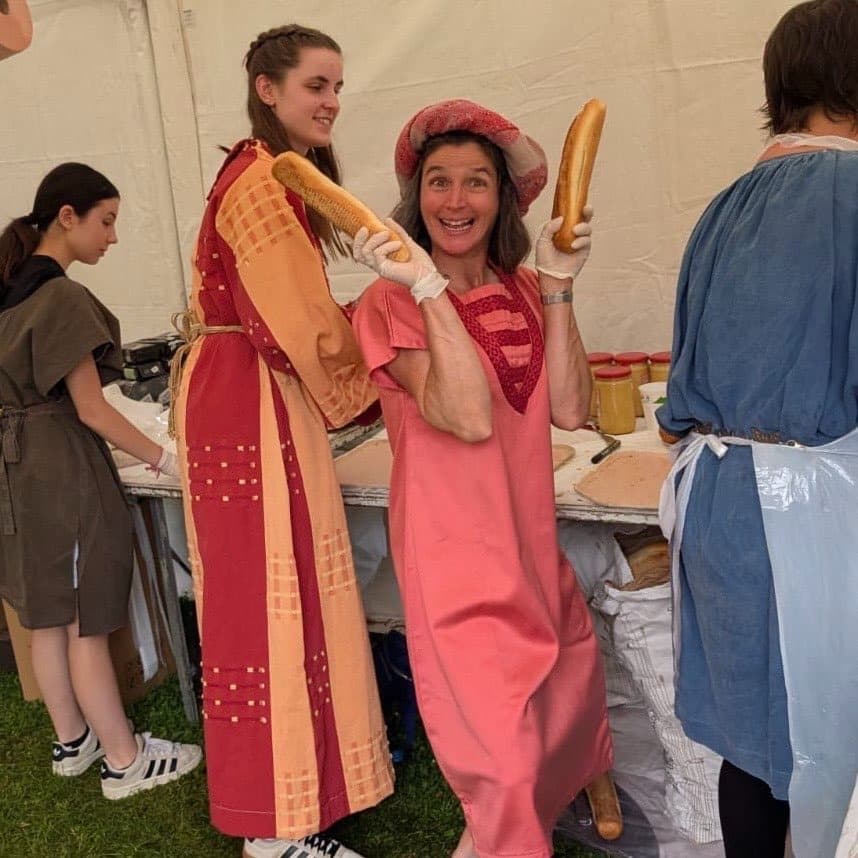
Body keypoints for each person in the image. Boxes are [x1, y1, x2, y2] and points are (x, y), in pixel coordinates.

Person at [351, 99, 613, 858]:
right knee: (499, 761)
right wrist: (432, 291)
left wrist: (559, 288)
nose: (455, 201)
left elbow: (570, 407)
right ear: (415, 197)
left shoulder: (525, 289)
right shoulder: (388, 301)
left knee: (555, 712)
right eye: (438, 182)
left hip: (529, 545)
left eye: (475, 183)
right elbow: (463, 416)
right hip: (456, 562)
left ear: (502, 200)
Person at [171, 24, 393, 858]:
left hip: (244, 388)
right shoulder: (261, 180)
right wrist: (374, 384)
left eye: (338, 86)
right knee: (273, 600)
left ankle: (297, 801)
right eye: (316, 86)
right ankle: (275, 827)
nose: (331, 101)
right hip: (250, 395)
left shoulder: (263, 172)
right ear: (268, 90)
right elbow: (300, 320)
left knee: (281, 589)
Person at [655, 1, 858, 855]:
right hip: (823, 515)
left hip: (726, 513)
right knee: (828, 741)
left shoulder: (725, 204)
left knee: (756, 749)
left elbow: (679, 396)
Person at [0, 162, 202, 800]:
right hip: (59, 465)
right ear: (67, 216)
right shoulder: (57, 295)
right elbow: (93, 409)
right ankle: (123, 759)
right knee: (87, 616)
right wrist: (171, 459)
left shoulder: (8, 291)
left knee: (47, 615)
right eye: (106, 221)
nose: (112, 237)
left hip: (15, 470)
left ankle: (74, 742)